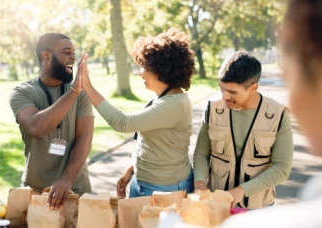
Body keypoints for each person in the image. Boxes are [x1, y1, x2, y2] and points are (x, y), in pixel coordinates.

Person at [221, 0, 322, 226]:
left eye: (290, 79)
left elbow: (281, 168)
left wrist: (241, 192)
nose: (292, 105)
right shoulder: (315, 193)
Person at [80, 28, 196, 198]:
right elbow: (153, 144)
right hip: (142, 182)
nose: (140, 73)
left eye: (144, 67)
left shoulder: (175, 104)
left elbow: (122, 122)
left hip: (165, 189)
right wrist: (131, 171)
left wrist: (87, 87)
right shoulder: (162, 97)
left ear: (161, 69)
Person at [193, 51, 294, 209]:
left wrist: (241, 191)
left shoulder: (279, 115)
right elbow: (201, 154)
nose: (225, 97)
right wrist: (199, 184)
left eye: (232, 92)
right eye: (222, 89)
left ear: (253, 88)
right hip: (216, 206)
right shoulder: (212, 110)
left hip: (259, 210)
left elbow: (281, 168)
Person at [9, 33, 94, 210]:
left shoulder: (80, 94)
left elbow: (85, 139)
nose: (73, 57)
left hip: (75, 188)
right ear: (46, 56)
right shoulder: (22, 93)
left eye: (74, 52)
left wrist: (66, 179)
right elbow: (36, 127)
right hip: (37, 192)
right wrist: (74, 91)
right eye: (66, 52)